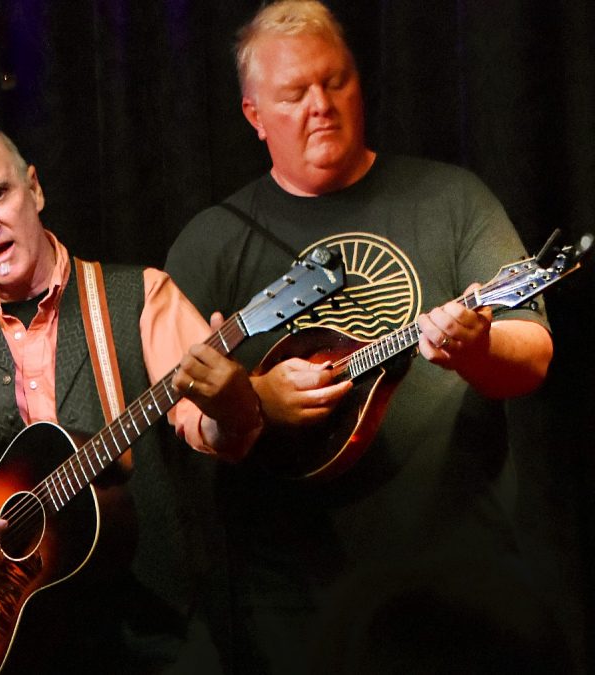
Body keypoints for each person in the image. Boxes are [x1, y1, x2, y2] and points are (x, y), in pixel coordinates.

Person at [163, 2, 553, 673]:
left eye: (335, 81)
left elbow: (534, 352)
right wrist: (253, 401)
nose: (321, 105)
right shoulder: (212, 241)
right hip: (292, 606)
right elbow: (181, 409)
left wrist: (477, 349)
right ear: (254, 115)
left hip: (457, 583)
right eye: (295, 94)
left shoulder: (450, 198)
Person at [0, 123, 263, 673]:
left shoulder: (140, 296)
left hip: (150, 632)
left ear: (33, 188)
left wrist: (231, 403)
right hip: (8, 640)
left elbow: (216, 434)